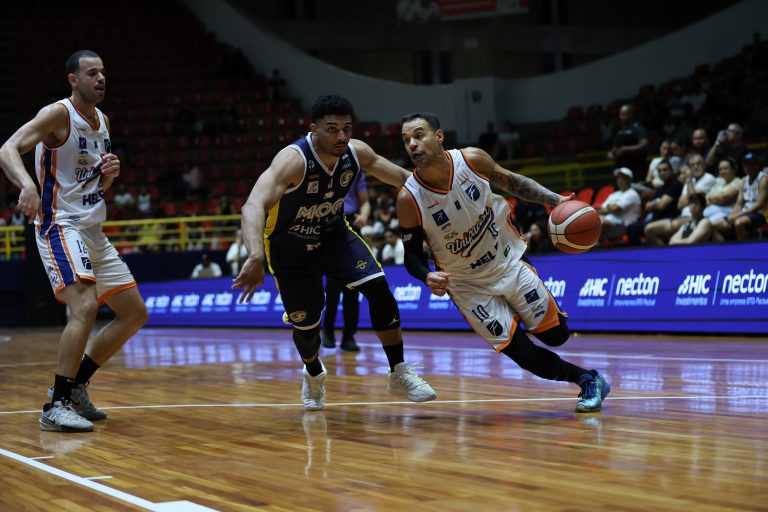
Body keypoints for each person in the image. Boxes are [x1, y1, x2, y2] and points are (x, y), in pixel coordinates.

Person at [232, 95, 436, 411]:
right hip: (289, 248)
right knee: (307, 328)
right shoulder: (293, 160)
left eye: (346, 128)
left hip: (333, 236)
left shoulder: (355, 152)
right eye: (332, 129)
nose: (341, 136)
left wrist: (444, 197)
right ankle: (313, 372)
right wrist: (255, 256)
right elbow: (253, 205)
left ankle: (399, 371)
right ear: (313, 129)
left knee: (379, 287)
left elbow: (402, 179)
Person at [397, 112, 610, 413]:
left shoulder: (471, 160)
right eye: (406, 140)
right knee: (525, 356)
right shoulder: (409, 199)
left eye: (419, 135)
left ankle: (524, 315)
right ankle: (588, 379)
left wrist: (554, 199)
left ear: (439, 136)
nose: (412, 144)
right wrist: (425, 276)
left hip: (507, 261)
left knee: (556, 336)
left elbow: (513, 182)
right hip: (468, 286)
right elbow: (411, 256)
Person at [0, 50, 148, 432]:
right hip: (59, 225)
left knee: (134, 313)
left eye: (103, 72)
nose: (101, 78)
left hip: (93, 228)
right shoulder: (58, 114)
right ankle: (56, 405)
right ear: (73, 79)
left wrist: (109, 174)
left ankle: (76, 386)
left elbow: (91, 185)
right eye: (92, 72)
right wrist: (27, 185)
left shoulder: (103, 122)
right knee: (84, 304)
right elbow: (7, 149)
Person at [321, 171, 370, 352]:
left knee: (354, 287)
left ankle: (349, 337)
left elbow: (365, 202)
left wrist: (364, 215)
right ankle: (328, 333)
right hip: (329, 224)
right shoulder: (321, 170)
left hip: (352, 223)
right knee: (332, 288)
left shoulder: (356, 171)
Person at [726, 153, 768, 240]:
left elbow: (759, 204)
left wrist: (738, 215)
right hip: (746, 212)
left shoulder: (763, 179)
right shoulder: (744, 180)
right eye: (745, 165)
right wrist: (732, 215)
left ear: (757, 165)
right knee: (719, 224)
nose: (748, 167)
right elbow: (739, 203)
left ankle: (743, 248)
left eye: (751, 164)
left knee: (738, 223)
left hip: (760, 213)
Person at [598, 168, 641, 240]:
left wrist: (609, 207)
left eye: (623, 177)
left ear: (629, 179)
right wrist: (611, 207)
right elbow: (601, 210)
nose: (619, 180)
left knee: (597, 224)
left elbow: (617, 210)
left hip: (624, 226)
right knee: (589, 221)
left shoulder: (632, 193)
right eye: (618, 177)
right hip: (609, 222)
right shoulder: (614, 194)